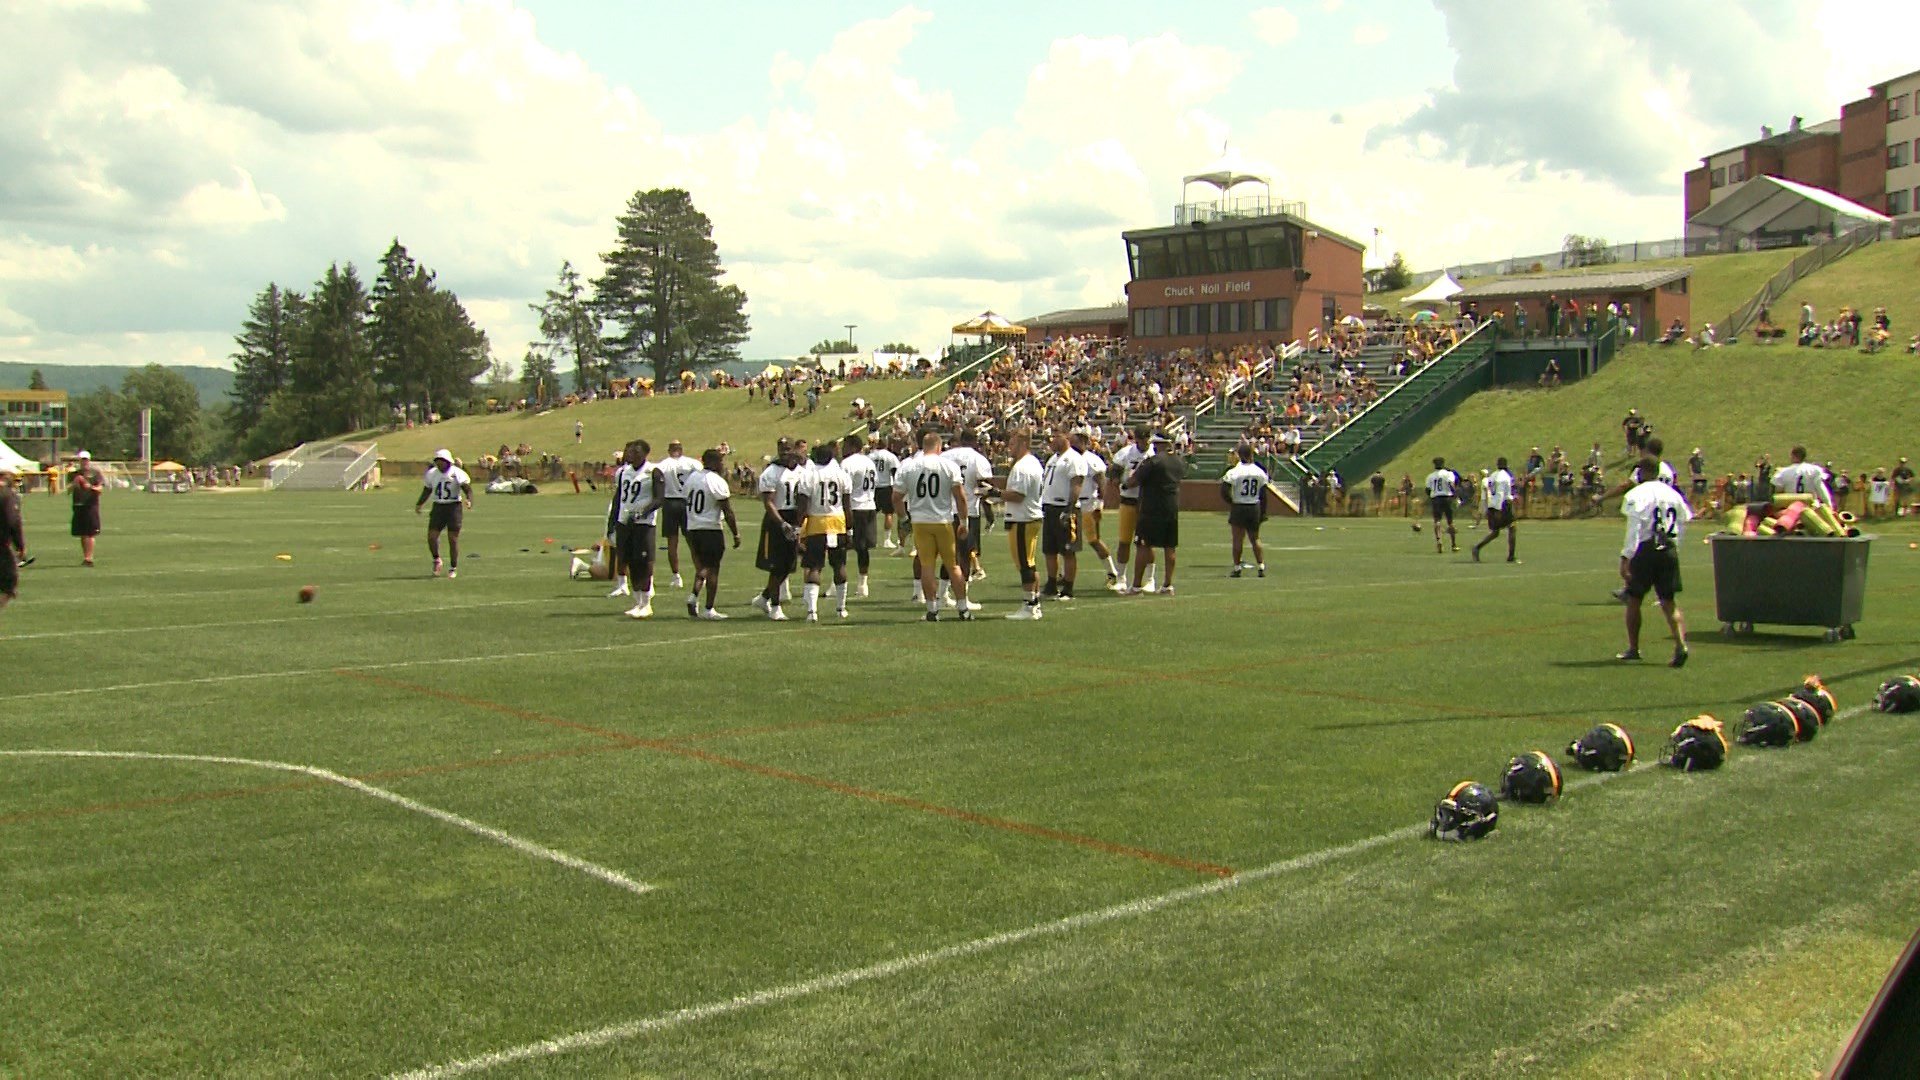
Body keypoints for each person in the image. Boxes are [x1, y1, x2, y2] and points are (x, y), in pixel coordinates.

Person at [1618, 457, 1693, 667]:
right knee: (1668, 601)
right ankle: (1681, 644)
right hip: (1668, 548)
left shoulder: (1637, 494)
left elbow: (1634, 527)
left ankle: (1633, 648)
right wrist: (1675, 549)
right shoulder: (1673, 494)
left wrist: (1626, 557)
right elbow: (1683, 520)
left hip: (1646, 549)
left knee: (1634, 599)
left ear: (1641, 472)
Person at [894, 431, 973, 622]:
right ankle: (963, 609)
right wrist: (964, 522)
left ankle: (932, 610)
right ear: (939, 447)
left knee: (927, 566)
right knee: (953, 566)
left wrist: (904, 518)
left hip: (920, 521)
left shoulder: (909, 466)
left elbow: (896, 497)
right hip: (943, 520)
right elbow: (960, 497)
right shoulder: (948, 465)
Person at [796, 443, 852, 622]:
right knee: (839, 565)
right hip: (838, 522)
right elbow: (847, 506)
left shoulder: (808, 475)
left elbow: (803, 506)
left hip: (817, 523)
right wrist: (849, 529)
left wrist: (798, 528)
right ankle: (841, 608)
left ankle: (812, 611)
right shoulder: (842, 475)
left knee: (814, 566)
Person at [752, 438, 807, 621]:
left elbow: (804, 498)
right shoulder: (771, 471)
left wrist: (799, 523)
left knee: (789, 565)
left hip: (795, 517)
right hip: (777, 519)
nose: (784, 452)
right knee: (777, 565)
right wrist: (783, 524)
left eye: (788, 449)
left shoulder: (802, 471)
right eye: (781, 449)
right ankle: (775, 606)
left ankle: (764, 597)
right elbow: (768, 502)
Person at [682, 448, 740, 619]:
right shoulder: (716, 481)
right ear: (713, 462)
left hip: (693, 527)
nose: (722, 464)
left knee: (702, 567)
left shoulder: (692, 478)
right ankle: (707, 607)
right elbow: (727, 510)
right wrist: (736, 533)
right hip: (710, 528)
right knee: (712, 569)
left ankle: (695, 598)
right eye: (720, 461)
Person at [1125, 431, 1184, 596]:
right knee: (1169, 547)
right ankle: (1167, 585)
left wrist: (1126, 481)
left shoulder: (1153, 462)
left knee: (1143, 545)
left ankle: (1136, 586)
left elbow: (1133, 481)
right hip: (1171, 506)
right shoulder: (1179, 462)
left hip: (1151, 508)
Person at [611, 440, 664, 619]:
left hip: (644, 524)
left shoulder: (653, 471)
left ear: (644, 454)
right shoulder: (623, 472)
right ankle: (637, 601)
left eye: (635, 452)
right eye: (630, 452)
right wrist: (613, 522)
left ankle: (647, 602)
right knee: (630, 561)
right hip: (625, 522)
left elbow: (659, 499)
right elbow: (618, 498)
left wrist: (643, 511)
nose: (631, 455)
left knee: (644, 562)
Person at [1000, 427, 1046, 621]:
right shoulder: (1031, 463)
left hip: (1022, 519)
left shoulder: (1023, 466)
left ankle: (1029, 606)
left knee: (1025, 564)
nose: (1009, 447)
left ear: (1023, 443)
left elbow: (1018, 495)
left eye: (1012, 443)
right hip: (1029, 517)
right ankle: (1034, 603)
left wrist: (994, 493)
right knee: (1029, 562)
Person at [1038, 430, 1087, 600]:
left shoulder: (1074, 459)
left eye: (1054, 437)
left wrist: (1070, 508)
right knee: (1049, 550)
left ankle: (1068, 588)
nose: (1051, 441)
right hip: (1050, 507)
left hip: (1064, 508)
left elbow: (1076, 484)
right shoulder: (1054, 458)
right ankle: (1051, 585)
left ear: (1064, 438)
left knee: (1067, 550)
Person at [942, 429, 994, 584]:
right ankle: (962, 590)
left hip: (944, 511)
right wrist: (988, 512)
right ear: (975, 441)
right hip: (968, 511)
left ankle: (943, 591)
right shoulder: (978, 459)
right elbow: (984, 487)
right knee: (965, 554)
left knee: (948, 553)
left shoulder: (944, 457)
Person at [1071, 429, 1122, 588]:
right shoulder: (1070, 458)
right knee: (1067, 541)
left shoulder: (1092, 460)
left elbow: (1101, 483)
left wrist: (1100, 505)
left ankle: (1112, 573)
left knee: (1094, 540)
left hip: (1088, 504)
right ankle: (1063, 575)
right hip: (1073, 504)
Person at [1110, 426, 1155, 592]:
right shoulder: (1125, 453)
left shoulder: (1155, 453)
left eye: (1147, 437)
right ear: (1136, 439)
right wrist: (1119, 483)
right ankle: (1121, 578)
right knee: (1124, 541)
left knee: (1147, 542)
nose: (1145, 441)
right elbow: (1113, 473)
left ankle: (1150, 579)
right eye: (1142, 438)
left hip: (1148, 501)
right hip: (1128, 500)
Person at [414, 449, 472, 578]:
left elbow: (467, 489)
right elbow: (427, 490)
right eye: (437, 462)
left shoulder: (457, 473)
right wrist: (419, 504)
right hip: (438, 507)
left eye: (442, 462)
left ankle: (453, 567)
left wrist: (469, 500)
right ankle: (436, 559)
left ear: (448, 462)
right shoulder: (432, 474)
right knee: (432, 537)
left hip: (453, 507)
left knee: (453, 539)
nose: (439, 464)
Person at [656, 440, 699, 590]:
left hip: (670, 503)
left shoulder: (665, 463)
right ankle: (700, 572)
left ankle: (676, 576)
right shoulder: (691, 463)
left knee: (672, 543)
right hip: (686, 503)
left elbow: (656, 474)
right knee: (692, 541)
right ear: (681, 449)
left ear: (669, 450)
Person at [839, 434, 878, 597]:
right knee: (863, 549)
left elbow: (843, 487)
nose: (843, 450)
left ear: (852, 447)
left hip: (853, 507)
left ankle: (838, 583)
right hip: (869, 506)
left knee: (841, 546)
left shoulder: (847, 463)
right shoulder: (869, 462)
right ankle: (863, 584)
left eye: (845, 446)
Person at [1220, 445, 1268, 577]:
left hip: (1239, 506)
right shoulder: (1259, 471)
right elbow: (1264, 494)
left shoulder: (1234, 471)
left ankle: (1237, 568)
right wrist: (1263, 512)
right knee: (1255, 539)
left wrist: (1232, 502)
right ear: (1251, 455)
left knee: (1237, 539)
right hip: (1254, 507)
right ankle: (1261, 566)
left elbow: (1224, 491)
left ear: (1239, 455)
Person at [1472, 457, 1518, 563]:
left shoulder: (1492, 476)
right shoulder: (1505, 476)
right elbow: (1502, 494)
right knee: (1512, 527)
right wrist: (1500, 509)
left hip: (1492, 505)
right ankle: (1511, 556)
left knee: (1495, 532)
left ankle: (1477, 548)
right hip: (1502, 505)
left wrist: (1491, 507)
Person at [68, 450, 104, 567]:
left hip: (90, 505)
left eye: (85, 460)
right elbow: (68, 491)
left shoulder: (95, 473)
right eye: (82, 460)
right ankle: (86, 556)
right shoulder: (74, 474)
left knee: (90, 533)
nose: (84, 462)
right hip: (78, 505)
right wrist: (74, 484)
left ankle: (89, 558)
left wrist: (89, 487)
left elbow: (99, 490)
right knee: (83, 533)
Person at [871, 438, 902, 552]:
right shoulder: (890, 456)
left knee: (871, 514)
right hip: (886, 486)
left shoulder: (870, 456)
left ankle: (871, 538)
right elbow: (895, 472)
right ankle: (887, 540)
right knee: (888, 513)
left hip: (873, 486)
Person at [1424, 457, 1460, 554]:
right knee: (1450, 522)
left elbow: (1427, 490)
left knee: (1437, 521)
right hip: (1447, 497)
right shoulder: (1449, 474)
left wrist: (1432, 496)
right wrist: (1456, 496)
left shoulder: (1430, 476)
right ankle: (1454, 544)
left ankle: (1439, 540)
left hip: (1436, 498)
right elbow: (1452, 485)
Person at [1, 463, 24, 614]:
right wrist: (20, 545)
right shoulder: (8, 495)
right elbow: (12, 521)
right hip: (1, 547)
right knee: (9, 586)